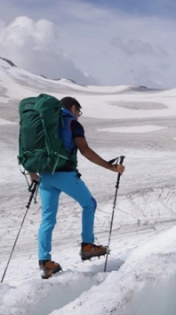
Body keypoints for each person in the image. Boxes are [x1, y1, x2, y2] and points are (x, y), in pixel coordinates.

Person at [28, 96, 125, 279]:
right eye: (78, 112)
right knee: (89, 204)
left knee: (47, 219)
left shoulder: (44, 124)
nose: (78, 116)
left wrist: (32, 172)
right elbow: (85, 151)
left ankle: (45, 262)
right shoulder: (71, 123)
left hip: (45, 175)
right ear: (73, 108)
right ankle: (87, 246)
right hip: (64, 173)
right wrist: (112, 168)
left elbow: (32, 148)